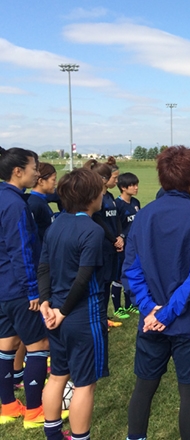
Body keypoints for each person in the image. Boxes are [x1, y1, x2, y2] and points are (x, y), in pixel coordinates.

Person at [122, 146, 190, 440]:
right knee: (189, 393)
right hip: (186, 321)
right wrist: (162, 311)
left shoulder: (143, 215)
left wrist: (149, 308)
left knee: (144, 387)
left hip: (153, 320)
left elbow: (131, 270)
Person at [38, 168, 107, 440]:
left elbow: (43, 266)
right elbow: (83, 277)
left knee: (57, 375)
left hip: (53, 313)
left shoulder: (56, 225)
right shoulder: (92, 230)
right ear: (91, 196)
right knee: (85, 384)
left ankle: (53, 435)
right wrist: (64, 311)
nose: (103, 194)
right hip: (80, 315)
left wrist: (46, 303)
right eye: (100, 190)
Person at [0, 147, 50, 429]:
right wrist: (33, 291)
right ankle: (34, 411)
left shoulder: (5, 198)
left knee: (6, 345)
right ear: (17, 171)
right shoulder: (16, 204)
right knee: (39, 345)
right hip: (19, 289)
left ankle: (7, 406)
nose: (37, 172)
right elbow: (21, 249)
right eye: (34, 167)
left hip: (3, 288)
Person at [84, 158, 125, 324]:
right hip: (104, 245)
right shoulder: (94, 198)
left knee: (108, 281)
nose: (116, 181)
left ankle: (103, 317)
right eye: (114, 178)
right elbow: (99, 221)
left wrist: (120, 236)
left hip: (113, 246)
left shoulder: (110, 196)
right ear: (102, 179)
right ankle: (98, 317)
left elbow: (116, 219)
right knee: (100, 283)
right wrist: (113, 238)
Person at [114, 173, 141, 316]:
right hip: (121, 246)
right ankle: (118, 308)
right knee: (119, 275)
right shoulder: (117, 204)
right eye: (133, 185)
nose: (136, 188)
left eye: (137, 184)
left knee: (130, 273)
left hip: (133, 244)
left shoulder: (135, 202)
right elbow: (116, 226)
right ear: (123, 188)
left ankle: (130, 304)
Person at [28, 162, 57, 243]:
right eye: (53, 179)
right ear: (41, 181)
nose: (55, 183)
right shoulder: (35, 204)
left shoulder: (41, 200)